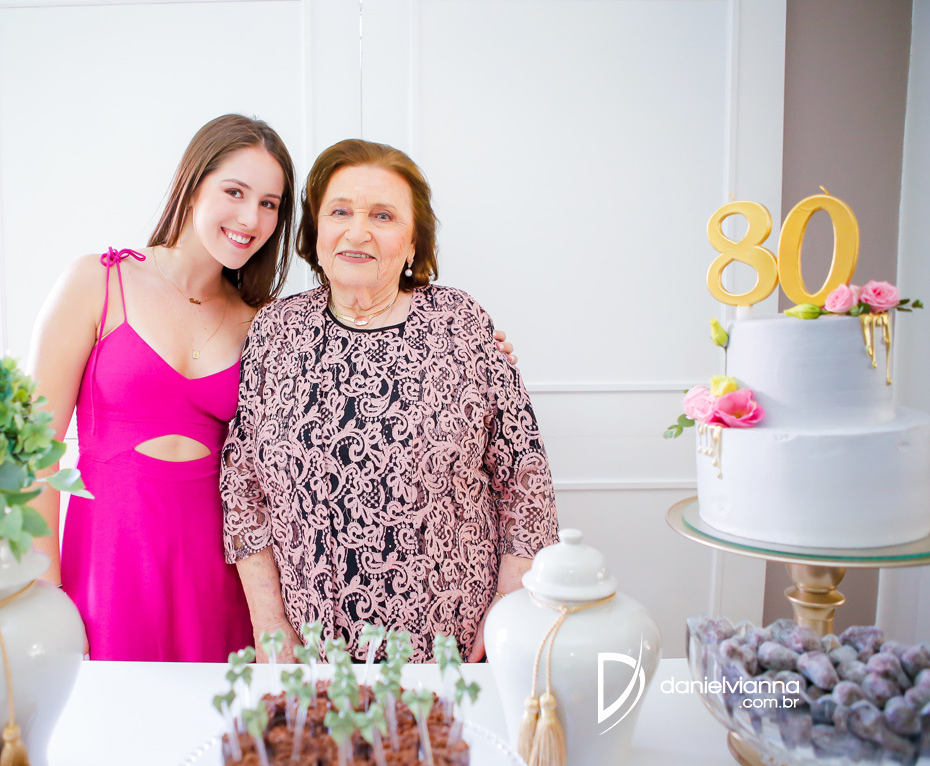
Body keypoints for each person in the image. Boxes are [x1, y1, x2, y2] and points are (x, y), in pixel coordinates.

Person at [28, 115, 522, 661]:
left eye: (269, 204)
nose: (250, 218)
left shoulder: (261, 322)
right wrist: (45, 593)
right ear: (192, 185)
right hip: (115, 549)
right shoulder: (97, 281)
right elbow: (33, 449)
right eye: (234, 192)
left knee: (227, 711)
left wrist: (482, 356)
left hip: (221, 567)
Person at [221, 139, 558, 664]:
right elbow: (242, 485)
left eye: (382, 215)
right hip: (313, 646)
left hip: (451, 643)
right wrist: (268, 623)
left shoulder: (461, 323)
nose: (357, 232)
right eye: (340, 212)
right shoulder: (276, 330)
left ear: (414, 241)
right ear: (316, 231)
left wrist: (507, 609)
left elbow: (525, 479)